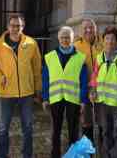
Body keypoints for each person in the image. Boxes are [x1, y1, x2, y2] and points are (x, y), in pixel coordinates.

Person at [0, 15, 42, 158]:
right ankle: (1, 155)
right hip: (5, 92)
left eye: (18, 26)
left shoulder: (31, 43)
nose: (15, 28)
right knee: (3, 128)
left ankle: (27, 155)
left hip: (26, 92)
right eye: (12, 25)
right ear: (8, 27)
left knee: (28, 128)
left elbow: (36, 68)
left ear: (23, 27)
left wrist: (38, 90)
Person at [42, 26, 90, 158]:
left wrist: (83, 100)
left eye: (68, 37)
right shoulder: (49, 57)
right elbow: (45, 79)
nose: (65, 40)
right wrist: (45, 98)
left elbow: (84, 81)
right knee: (55, 131)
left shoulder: (80, 57)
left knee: (73, 131)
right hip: (55, 98)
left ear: (72, 39)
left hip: (73, 99)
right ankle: (55, 155)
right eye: (63, 37)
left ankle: (73, 155)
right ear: (58, 38)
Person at [89, 26, 117, 158]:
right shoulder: (99, 58)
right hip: (101, 102)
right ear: (103, 40)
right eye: (107, 38)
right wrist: (93, 91)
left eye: (112, 39)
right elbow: (94, 77)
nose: (109, 41)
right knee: (104, 131)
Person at [73, 18, 103, 143]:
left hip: (101, 86)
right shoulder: (76, 46)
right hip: (84, 87)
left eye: (91, 27)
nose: (88, 30)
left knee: (102, 119)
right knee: (86, 120)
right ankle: (88, 149)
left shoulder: (103, 43)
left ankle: (103, 147)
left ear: (96, 29)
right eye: (85, 28)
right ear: (81, 30)